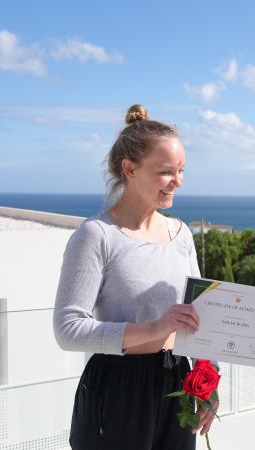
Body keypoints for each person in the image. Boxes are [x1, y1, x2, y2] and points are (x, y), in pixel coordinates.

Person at [53, 104, 217, 450]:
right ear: (130, 169)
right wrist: (156, 328)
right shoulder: (97, 235)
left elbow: (202, 315)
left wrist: (209, 380)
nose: (178, 181)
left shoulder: (181, 233)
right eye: (166, 172)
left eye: (182, 170)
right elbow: (68, 329)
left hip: (178, 380)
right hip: (116, 387)